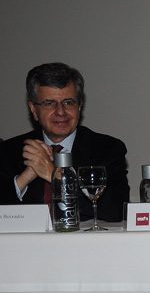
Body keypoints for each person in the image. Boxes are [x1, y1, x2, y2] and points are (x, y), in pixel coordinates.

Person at [0, 63, 129, 221]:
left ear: (79, 106)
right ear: (33, 109)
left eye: (68, 102)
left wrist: (55, 176)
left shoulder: (107, 149)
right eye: (49, 103)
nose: (60, 112)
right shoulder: (8, 151)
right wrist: (24, 178)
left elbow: (115, 210)